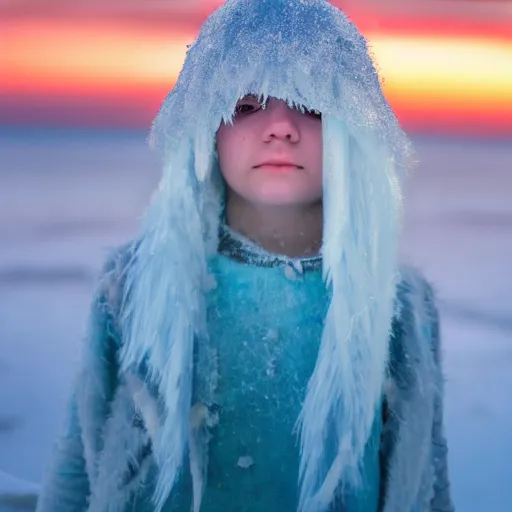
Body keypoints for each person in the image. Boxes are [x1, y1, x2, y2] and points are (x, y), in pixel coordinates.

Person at [36, 1, 454, 511]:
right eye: (247, 104)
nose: (281, 128)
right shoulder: (134, 288)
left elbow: (426, 477)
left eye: (312, 103)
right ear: (206, 124)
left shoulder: (399, 305)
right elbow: (80, 463)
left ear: (354, 124)